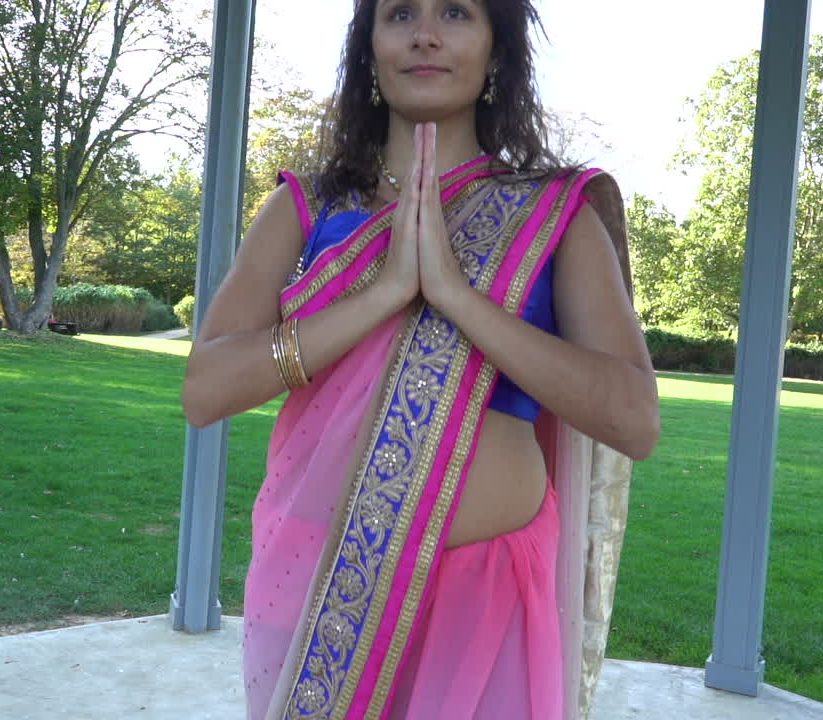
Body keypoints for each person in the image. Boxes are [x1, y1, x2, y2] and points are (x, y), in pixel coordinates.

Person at [182, 1, 659, 718]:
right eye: (399, 12)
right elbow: (205, 391)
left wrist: (458, 297)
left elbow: (633, 420)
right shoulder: (306, 208)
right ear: (368, 47)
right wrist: (385, 295)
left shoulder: (555, 215)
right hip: (322, 582)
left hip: (487, 600)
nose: (425, 34)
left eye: (457, 13)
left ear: (498, 48)